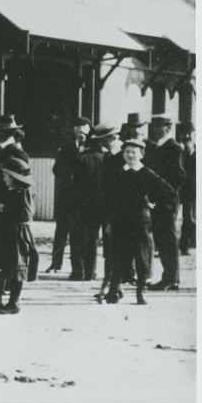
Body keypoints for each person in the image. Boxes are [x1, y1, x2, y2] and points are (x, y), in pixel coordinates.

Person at [101, 139, 176, 305]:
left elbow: (168, 192)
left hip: (140, 222)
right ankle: (114, 291)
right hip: (120, 221)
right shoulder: (118, 173)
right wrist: (110, 222)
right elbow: (110, 199)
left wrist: (153, 206)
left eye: (134, 152)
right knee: (118, 257)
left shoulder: (147, 173)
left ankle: (140, 292)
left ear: (142, 154)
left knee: (142, 258)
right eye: (127, 151)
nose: (130, 155)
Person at [0, 158, 39, 314]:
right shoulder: (9, 190)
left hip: (17, 234)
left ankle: (13, 303)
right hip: (4, 232)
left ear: (14, 177)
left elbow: (25, 214)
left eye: (6, 175)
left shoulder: (24, 192)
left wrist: (3, 208)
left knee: (17, 268)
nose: (3, 178)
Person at [71, 122, 117, 286]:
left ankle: (89, 272)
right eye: (111, 137)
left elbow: (75, 186)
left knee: (89, 239)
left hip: (88, 206)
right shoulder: (112, 159)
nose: (114, 140)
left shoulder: (81, 159)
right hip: (108, 206)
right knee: (110, 240)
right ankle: (111, 274)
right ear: (102, 140)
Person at [144, 114, 185, 291]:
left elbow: (180, 176)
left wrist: (164, 191)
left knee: (167, 239)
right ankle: (169, 277)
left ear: (168, 128)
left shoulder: (173, 148)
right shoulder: (159, 147)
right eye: (153, 126)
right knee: (162, 239)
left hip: (166, 201)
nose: (154, 129)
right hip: (159, 200)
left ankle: (171, 279)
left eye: (158, 126)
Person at [48, 117, 91, 273]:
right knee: (61, 230)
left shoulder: (92, 147)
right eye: (78, 126)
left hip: (84, 197)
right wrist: (68, 176)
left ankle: (84, 266)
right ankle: (56, 263)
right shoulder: (66, 148)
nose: (81, 129)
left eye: (84, 127)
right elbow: (56, 168)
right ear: (73, 130)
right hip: (67, 195)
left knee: (82, 233)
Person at [178, 122, 196, 255]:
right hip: (179, 189)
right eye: (184, 135)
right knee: (171, 218)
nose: (187, 136)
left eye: (190, 135)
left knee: (190, 218)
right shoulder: (178, 150)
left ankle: (186, 245)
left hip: (191, 190)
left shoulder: (198, 151)